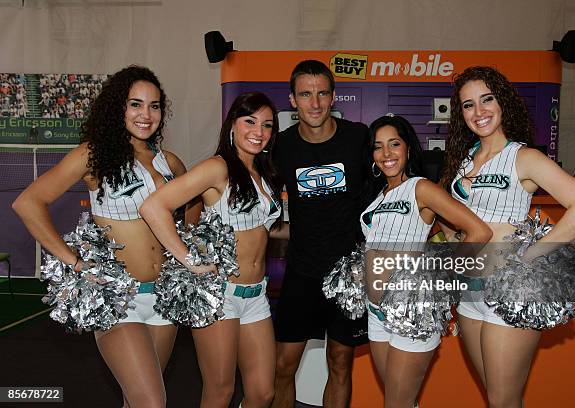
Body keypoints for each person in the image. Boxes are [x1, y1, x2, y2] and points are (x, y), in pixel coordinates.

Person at [12, 65, 196, 408]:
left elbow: (191, 213)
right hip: (118, 300)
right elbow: (28, 203)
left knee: (135, 400)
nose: (146, 114)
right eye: (135, 104)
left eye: (154, 105)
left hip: (163, 299)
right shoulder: (95, 154)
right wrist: (75, 262)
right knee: (152, 403)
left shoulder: (171, 162)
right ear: (118, 107)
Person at [439, 66, 575, 408]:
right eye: (468, 105)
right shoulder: (465, 161)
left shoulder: (523, 157)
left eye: (487, 100)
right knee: (496, 396)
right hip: (470, 292)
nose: (479, 111)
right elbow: (458, 224)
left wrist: (528, 257)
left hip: (510, 291)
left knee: (503, 399)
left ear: (503, 103)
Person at [140, 92, 286, 408]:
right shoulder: (217, 168)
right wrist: (188, 258)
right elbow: (154, 206)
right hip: (220, 295)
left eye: (267, 125)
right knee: (220, 392)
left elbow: (263, 229)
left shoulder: (265, 173)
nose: (258, 132)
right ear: (232, 124)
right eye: (250, 121)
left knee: (263, 393)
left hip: (256, 296)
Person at [362, 114, 491, 407]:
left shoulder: (421, 188)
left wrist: (442, 282)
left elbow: (479, 231)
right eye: (378, 146)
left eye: (394, 144)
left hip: (411, 313)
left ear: (408, 148)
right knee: (402, 402)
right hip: (376, 314)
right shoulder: (377, 195)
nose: (386, 154)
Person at [272, 60, 369, 408]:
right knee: (283, 367)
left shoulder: (358, 137)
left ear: (332, 97)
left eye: (322, 93)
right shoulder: (281, 146)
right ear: (292, 100)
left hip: (348, 275)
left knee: (340, 364)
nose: (314, 103)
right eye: (305, 94)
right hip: (302, 272)